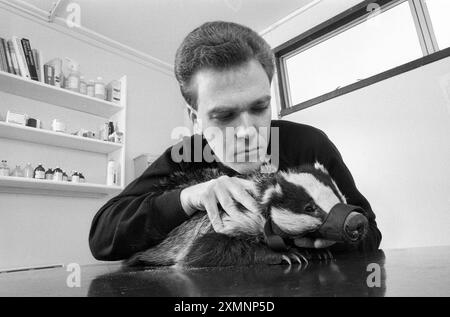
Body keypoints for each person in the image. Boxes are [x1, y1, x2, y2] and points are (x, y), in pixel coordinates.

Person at [89, 21, 381, 261]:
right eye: (224, 115)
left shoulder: (308, 144)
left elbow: (370, 233)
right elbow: (103, 237)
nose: (247, 131)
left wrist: (327, 235)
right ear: (194, 117)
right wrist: (186, 198)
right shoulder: (185, 154)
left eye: (259, 108)